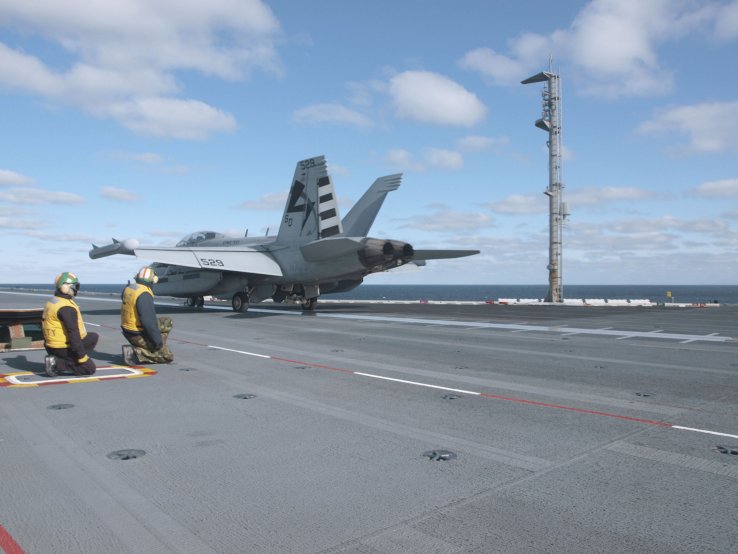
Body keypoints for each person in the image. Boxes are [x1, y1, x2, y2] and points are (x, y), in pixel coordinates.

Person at [42, 272, 98, 377]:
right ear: (65, 287)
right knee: (89, 369)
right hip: (62, 347)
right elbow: (73, 334)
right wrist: (82, 357)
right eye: (74, 287)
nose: (75, 290)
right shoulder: (66, 308)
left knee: (93, 337)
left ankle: (61, 358)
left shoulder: (52, 302)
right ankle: (58, 363)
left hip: (51, 345)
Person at [121, 266, 174, 364]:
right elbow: (148, 321)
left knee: (167, 322)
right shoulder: (144, 294)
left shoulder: (129, 288)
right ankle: (133, 352)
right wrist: (157, 341)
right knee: (167, 357)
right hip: (136, 333)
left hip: (127, 329)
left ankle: (154, 347)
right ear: (152, 281)